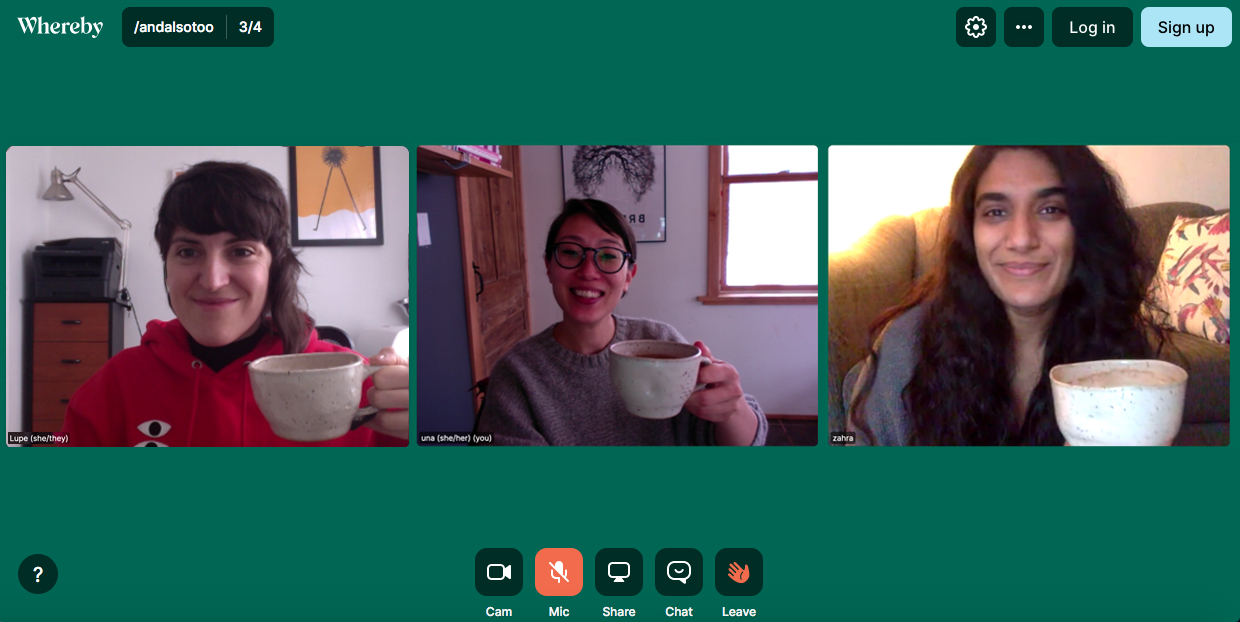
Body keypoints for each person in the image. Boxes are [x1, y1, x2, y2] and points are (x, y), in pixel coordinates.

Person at [57, 161, 408, 446]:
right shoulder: (113, 388)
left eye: (241, 251)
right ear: (167, 267)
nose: (212, 280)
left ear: (276, 269)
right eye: (188, 251)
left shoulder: (365, 390)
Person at [846, 146, 1168, 446]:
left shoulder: (1121, 354)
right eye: (996, 212)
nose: (1022, 239)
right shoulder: (909, 345)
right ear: (970, 233)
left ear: (1084, 228)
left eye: (1050, 209)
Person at [476, 198, 767, 446]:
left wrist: (733, 407)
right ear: (549, 266)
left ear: (629, 276)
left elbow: (746, 442)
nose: (589, 271)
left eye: (608, 255)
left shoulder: (662, 340)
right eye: (570, 252)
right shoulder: (517, 375)